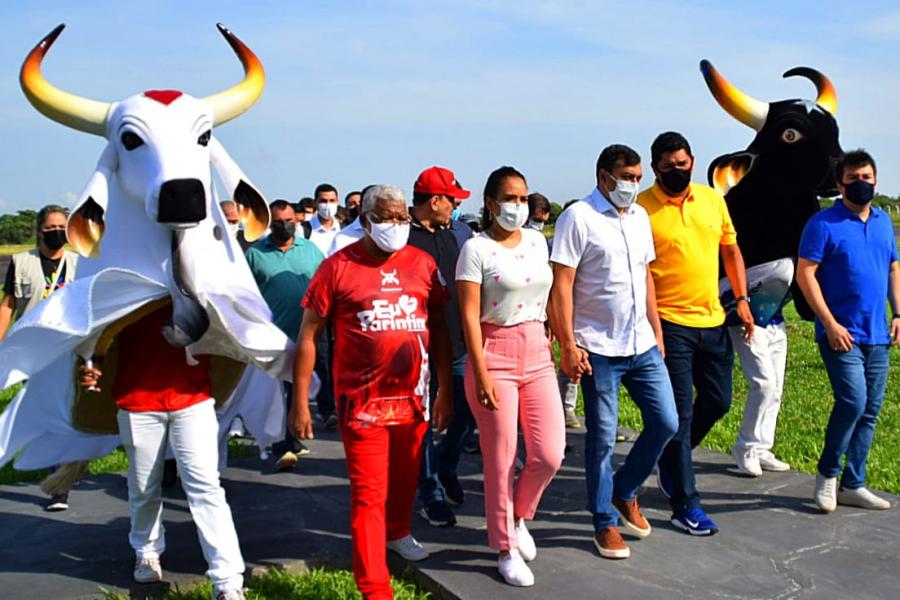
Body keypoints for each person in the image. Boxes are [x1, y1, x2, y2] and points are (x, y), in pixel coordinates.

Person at [290, 185, 452, 600]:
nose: (396, 226)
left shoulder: (423, 264)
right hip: (361, 405)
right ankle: (374, 585)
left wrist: (446, 389)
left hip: (413, 399)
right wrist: (300, 402)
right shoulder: (337, 267)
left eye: (402, 218)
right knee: (368, 493)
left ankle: (398, 533)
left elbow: (439, 328)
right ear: (365, 221)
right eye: (386, 218)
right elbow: (309, 334)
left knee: (405, 480)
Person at [550, 145, 678, 559]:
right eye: (626, 177)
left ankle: (626, 490)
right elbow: (563, 285)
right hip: (598, 346)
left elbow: (645, 276)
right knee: (602, 437)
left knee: (666, 422)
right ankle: (603, 522)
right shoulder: (578, 218)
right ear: (604, 177)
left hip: (641, 342)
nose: (633, 185)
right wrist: (568, 344)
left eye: (638, 177)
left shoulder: (639, 216)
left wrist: (657, 330)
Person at [79, 305, 246, 599]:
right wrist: (92, 362)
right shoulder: (127, 278)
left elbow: (230, 318)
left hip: (193, 398)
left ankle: (227, 579)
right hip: (138, 399)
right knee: (144, 486)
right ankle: (146, 550)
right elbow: (100, 329)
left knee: (206, 487)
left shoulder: (199, 279)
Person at [636, 131, 754, 536]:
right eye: (668, 167)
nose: (676, 172)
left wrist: (742, 299)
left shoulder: (712, 199)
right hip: (669, 323)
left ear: (692, 161)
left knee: (719, 402)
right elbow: (638, 273)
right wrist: (653, 328)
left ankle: (671, 459)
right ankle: (685, 503)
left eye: (682, 165)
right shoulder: (640, 210)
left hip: (713, 318)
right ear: (655, 169)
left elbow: (731, 250)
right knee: (681, 414)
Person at [457, 166, 565, 587]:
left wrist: (564, 343)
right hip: (493, 351)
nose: (518, 206)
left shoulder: (538, 241)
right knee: (501, 456)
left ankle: (519, 515)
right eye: (510, 198)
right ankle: (504, 547)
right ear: (490, 203)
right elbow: (467, 314)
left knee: (549, 453)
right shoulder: (476, 249)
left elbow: (551, 294)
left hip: (537, 349)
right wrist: (479, 371)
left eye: (523, 198)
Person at [796, 149, 898, 513]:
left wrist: (898, 312)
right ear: (839, 185)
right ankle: (827, 475)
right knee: (852, 402)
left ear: (875, 180)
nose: (860, 184)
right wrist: (829, 323)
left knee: (870, 409)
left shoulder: (884, 221)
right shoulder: (823, 224)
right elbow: (805, 274)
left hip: (878, 333)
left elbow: (892, 268)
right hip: (841, 333)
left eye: (866, 178)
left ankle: (853, 483)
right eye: (852, 179)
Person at [408, 166, 475, 526]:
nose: (454, 207)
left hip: (459, 342)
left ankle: (448, 464)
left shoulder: (451, 237)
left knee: (467, 410)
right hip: (421, 347)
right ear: (435, 200)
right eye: (451, 200)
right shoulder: (403, 239)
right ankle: (430, 491)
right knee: (425, 419)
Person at [1, 205, 79, 511]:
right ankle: (57, 480)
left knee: (68, 414)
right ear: (39, 231)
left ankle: (63, 475)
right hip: (34, 350)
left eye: (62, 226)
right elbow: (8, 303)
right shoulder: (21, 262)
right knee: (46, 414)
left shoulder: (78, 262)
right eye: (50, 228)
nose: (57, 232)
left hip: (68, 348)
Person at [245, 200, 324, 470]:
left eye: (289, 220)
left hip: (306, 335)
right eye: (278, 221)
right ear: (270, 224)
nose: (284, 225)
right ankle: (281, 444)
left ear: (297, 221)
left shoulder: (311, 251)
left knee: (297, 391)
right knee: (276, 393)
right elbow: (245, 294)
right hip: (271, 337)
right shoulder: (255, 254)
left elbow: (325, 287)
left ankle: (291, 438)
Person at [728, 265, 793, 477]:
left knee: (776, 388)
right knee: (765, 384)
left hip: (775, 318)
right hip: (746, 320)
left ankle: (762, 447)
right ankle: (745, 446)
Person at [307, 183, 342, 256]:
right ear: (315, 202)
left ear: (337, 202)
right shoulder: (304, 230)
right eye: (323, 201)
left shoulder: (344, 229)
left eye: (332, 201)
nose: (328, 205)